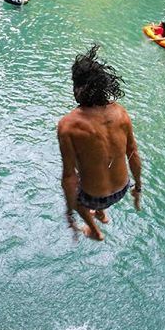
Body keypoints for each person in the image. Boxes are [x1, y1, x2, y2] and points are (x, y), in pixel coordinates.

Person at [57, 44, 142, 241]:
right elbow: (133, 154)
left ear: (77, 87)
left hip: (92, 197)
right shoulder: (121, 113)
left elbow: (68, 177)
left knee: (78, 193)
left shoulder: (68, 125)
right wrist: (137, 187)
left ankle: (95, 231)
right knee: (103, 164)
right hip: (121, 189)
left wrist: (69, 212)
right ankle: (102, 213)